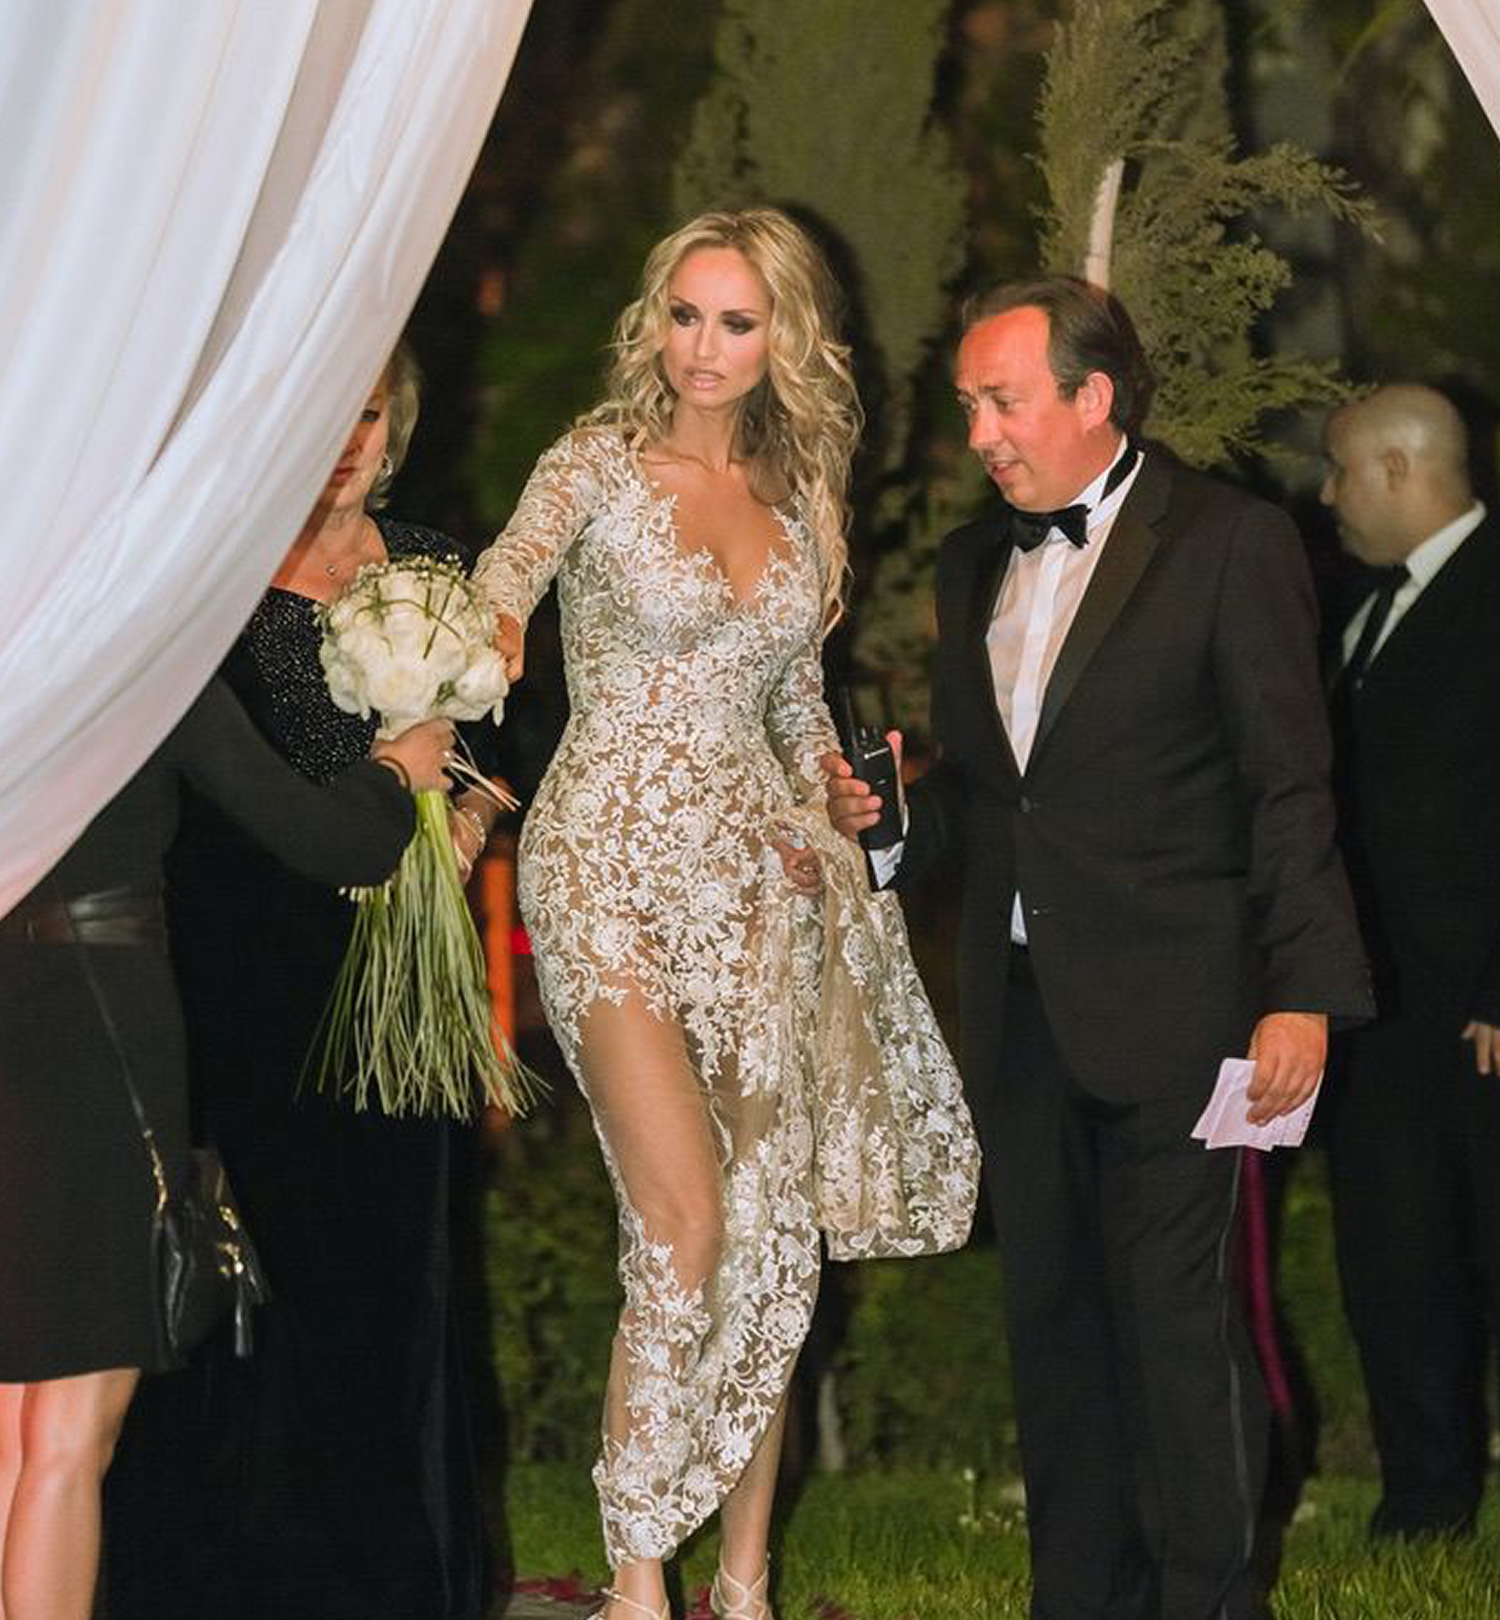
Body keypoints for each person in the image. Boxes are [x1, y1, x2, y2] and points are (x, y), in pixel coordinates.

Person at [825, 276, 1373, 1620]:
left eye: (999, 402)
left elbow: (1289, 786)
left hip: (1189, 1015)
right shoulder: (972, 568)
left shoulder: (1230, 545)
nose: (980, 435)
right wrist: (890, 819)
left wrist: (1300, 991)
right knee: (1056, 1338)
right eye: (969, 406)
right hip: (1020, 1019)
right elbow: (987, 799)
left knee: (1183, 1339)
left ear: (1093, 398)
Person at [472, 207, 978, 1620]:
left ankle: (741, 1584)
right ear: (655, 319)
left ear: (783, 338)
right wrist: (468, 651)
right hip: (609, 871)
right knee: (684, 1223)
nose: (703, 348)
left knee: (769, 1233)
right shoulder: (590, 463)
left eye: (736, 322)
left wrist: (837, 796)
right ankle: (640, 1581)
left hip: (765, 878)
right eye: (685, 315)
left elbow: (794, 701)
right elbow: (504, 589)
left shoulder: (803, 487)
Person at [103, 346, 510, 1620]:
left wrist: (473, 814)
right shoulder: (216, 581)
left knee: (390, 1274)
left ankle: (387, 1578)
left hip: (402, 971)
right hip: (249, 971)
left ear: (399, 422)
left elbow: (499, 746)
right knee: (247, 1276)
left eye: (371, 409)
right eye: (320, 413)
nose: (345, 438)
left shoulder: (436, 559)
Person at [0, 678, 450, 1620]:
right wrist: (396, 771)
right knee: (69, 1435)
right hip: (98, 1039)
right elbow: (334, 839)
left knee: (10, 1430)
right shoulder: (149, 666)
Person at [1318, 383, 1500, 1536]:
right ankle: (1423, 1501)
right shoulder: (1365, 607)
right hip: (1375, 1013)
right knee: (1395, 1265)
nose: (1327, 494)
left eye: (1340, 470)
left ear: (1399, 470)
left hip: (1494, 1018)